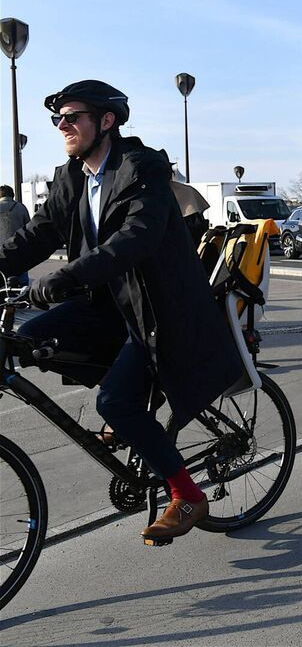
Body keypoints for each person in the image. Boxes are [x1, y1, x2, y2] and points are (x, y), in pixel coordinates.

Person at [0, 80, 245, 543]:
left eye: (73, 117)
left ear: (106, 121)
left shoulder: (141, 168)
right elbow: (36, 235)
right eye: (58, 119)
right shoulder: (72, 177)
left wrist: (69, 275)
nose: (63, 126)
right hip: (105, 307)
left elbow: (136, 237)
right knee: (25, 345)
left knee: (114, 400)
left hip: (155, 312)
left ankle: (186, 492)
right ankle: (128, 415)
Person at [0, 185, 31, 287]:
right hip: (19, 250)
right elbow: (29, 228)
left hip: (1, 254)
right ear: (12, 195)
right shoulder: (21, 207)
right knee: (21, 281)